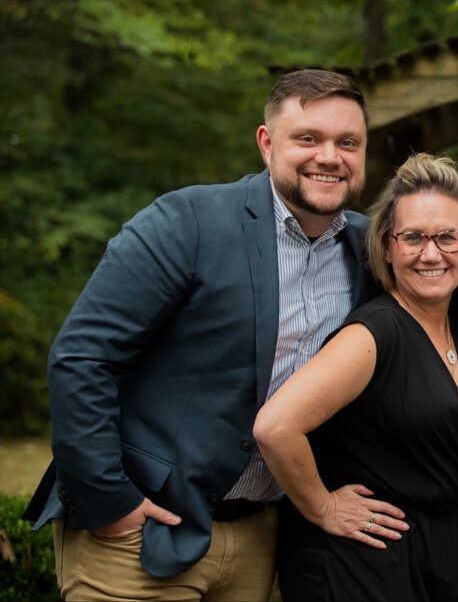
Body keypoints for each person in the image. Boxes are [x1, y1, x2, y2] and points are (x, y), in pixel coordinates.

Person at [21, 69, 403, 601]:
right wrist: (108, 502)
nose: (330, 156)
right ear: (267, 144)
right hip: (143, 532)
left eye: (348, 142)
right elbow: (83, 358)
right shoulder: (186, 221)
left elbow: (445, 271)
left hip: (261, 537)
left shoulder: (369, 248)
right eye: (308, 139)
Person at [253, 153, 458, 601]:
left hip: (434, 555)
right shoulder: (373, 334)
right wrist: (323, 506)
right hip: (358, 564)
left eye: (447, 237)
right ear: (385, 245)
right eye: (413, 238)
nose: (431, 253)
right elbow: (275, 427)